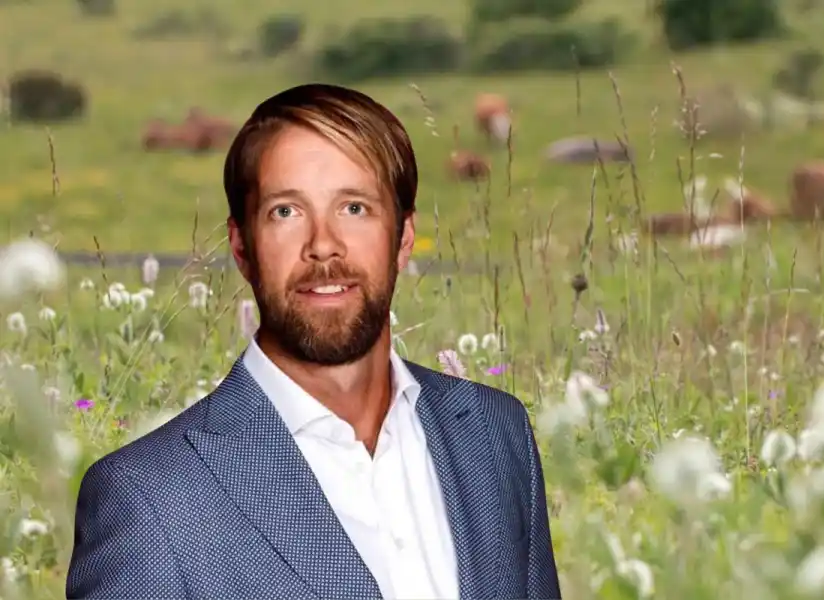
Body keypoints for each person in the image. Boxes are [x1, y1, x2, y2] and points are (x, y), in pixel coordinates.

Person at [65, 83, 562, 600]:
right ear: (242, 245)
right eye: (286, 211)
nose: (323, 245)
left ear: (404, 237)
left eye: (354, 208)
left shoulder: (497, 435)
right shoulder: (147, 499)